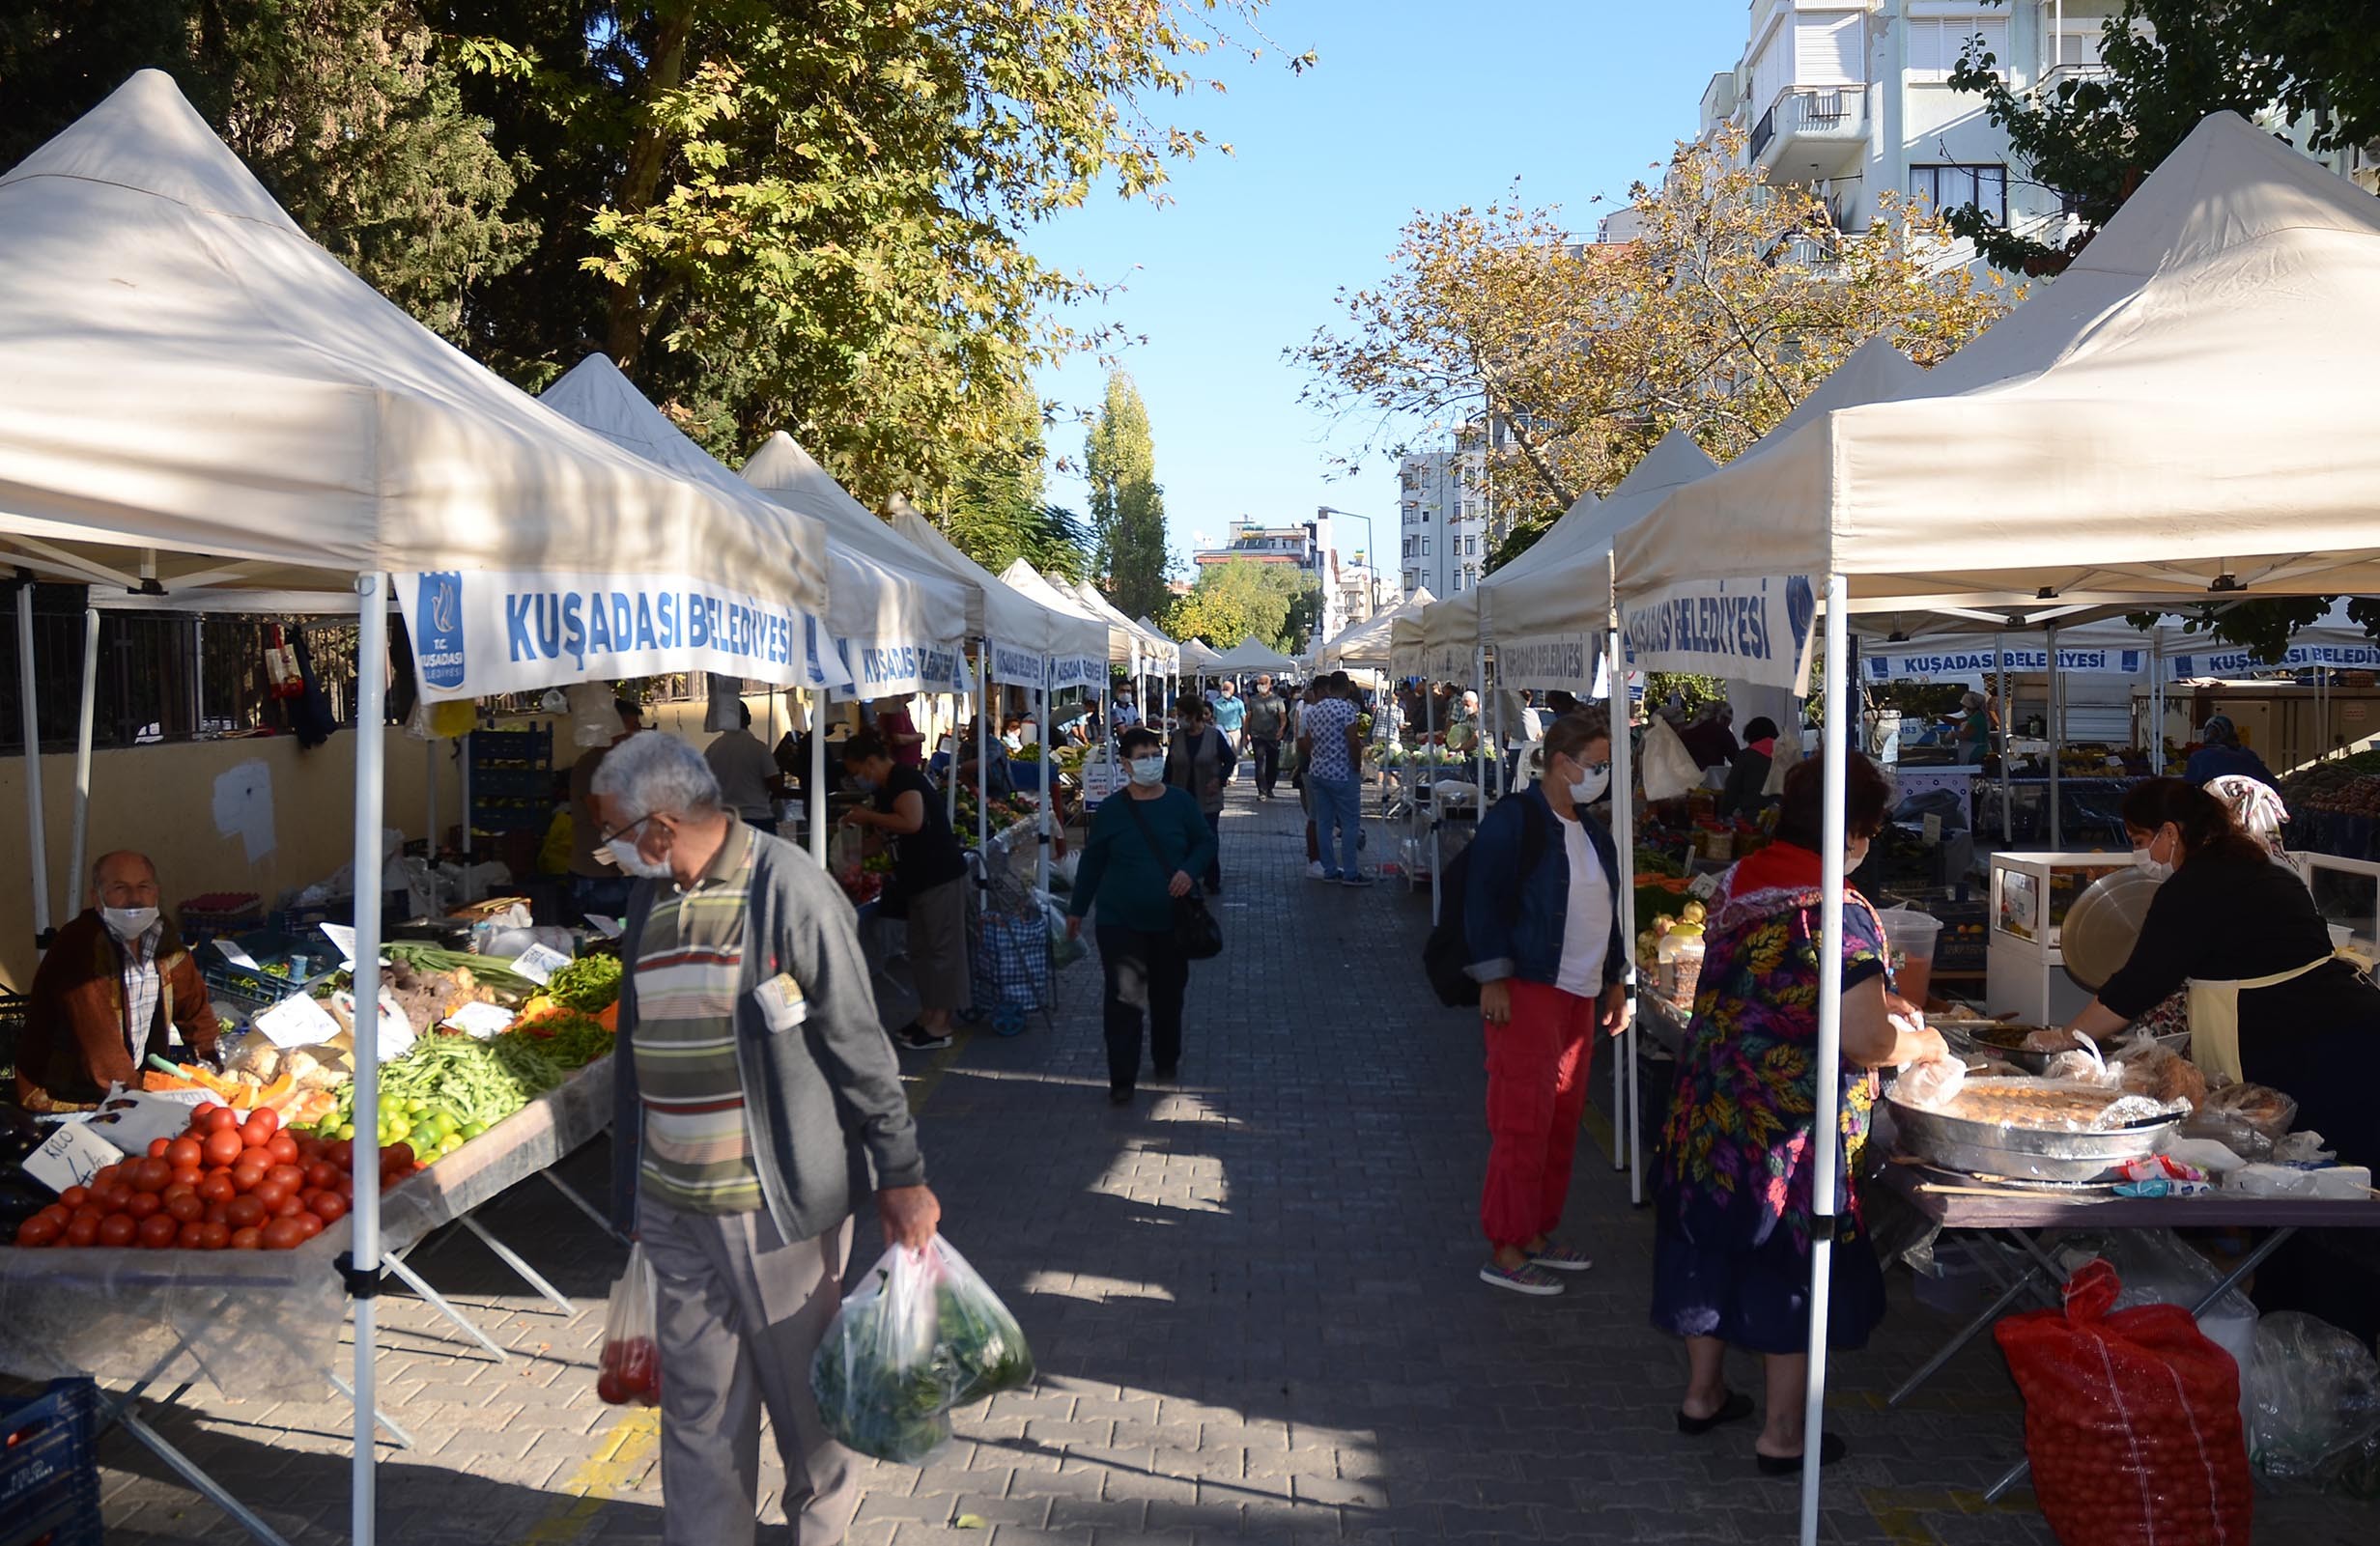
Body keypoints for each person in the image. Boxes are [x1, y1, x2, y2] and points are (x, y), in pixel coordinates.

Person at [595, 733, 942, 1546]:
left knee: (804, 1404)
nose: (604, 850)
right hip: (675, 1204)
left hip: (774, 1206)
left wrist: (902, 1172)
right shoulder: (653, 897)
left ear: (661, 822)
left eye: (613, 830)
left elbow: (860, 1043)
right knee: (697, 1409)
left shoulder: (788, 889)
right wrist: (631, 1196)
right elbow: (634, 1051)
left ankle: (819, 1530)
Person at [1652, 751, 1945, 1473]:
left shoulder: (1740, 879)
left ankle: (1703, 1394)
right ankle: (1783, 1433)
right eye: (1869, 828)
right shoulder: (1834, 907)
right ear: (1853, 830)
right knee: (1788, 1264)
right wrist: (1924, 1037)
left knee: (1709, 1244)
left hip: (1708, 1106)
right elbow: (1867, 1039)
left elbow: (1777, 984)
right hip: (1786, 1128)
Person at [2058, 779, 2378, 1166]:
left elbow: (2133, 988)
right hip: (2345, 1019)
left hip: (2305, 1039)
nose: (2138, 852)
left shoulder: (2194, 887)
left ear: (2171, 832)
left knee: (2311, 1158)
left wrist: (2064, 1038)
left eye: (2140, 839)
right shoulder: (2254, 863)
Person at [1463, 711, 1629, 1296]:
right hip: (1529, 989)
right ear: (1563, 763)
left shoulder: (1595, 833)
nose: (1604, 774)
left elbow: (1608, 913)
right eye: (1599, 763)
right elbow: (1480, 900)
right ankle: (1505, 1245)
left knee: (1560, 1121)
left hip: (1579, 996)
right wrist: (1492, 978)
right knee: (1521, 1121)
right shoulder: (1515, 821)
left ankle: (1537, 1232)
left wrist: (1616, 980)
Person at [1066, 725, 1217, 1105]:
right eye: (1142, 756)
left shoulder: (1180, 803)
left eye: (1155, 754)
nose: (1151, 762)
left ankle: (1166, 1058)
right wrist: (1076, 911)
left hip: (1172, 922)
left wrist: (1189, 870)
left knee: (1168, 997)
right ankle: (1122, 1078)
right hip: (1120, 921)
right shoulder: (1113, 810)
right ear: (1126, 765)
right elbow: (1093, 863)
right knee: (1124, 999)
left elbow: (1205, 841)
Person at [16, 851, 220, 1112]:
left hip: (127, 1086)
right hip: (69, 1094)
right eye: (119, 888)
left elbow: (195, 1010)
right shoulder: (80, 944)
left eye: (143, 887)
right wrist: (143, 1101)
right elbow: (102, 1048)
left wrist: (217, 1071)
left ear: (156, 892)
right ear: (97, 898)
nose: (134, 899)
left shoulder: (162, 935)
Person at [839, 730, 972, 1054]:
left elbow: (911, 822)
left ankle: (942, 1024)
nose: (860, 780)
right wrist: (847, 852)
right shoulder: (887, 790)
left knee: (941, 951)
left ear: (871, 762)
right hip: (916, 880)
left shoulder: (904, 779)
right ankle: (928, 1014)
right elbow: (882, 839)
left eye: (859, 772)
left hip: (938, 876)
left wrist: (867, 816)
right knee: (921, 950)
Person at [568, 696, 643, 917]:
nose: (637, 735)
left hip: (625, 871)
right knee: (604, 941)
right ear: (613, 729)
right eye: (633, 727)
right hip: (599, 877)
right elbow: (603, 817)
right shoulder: (592, 766)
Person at [1301, 671, 1368, 885]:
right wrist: (1357, 765)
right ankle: (1350, 872)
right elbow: (1353, 741)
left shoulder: (1314, 710)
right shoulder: (1346, 709)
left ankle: (1329, 869)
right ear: (1347, 687)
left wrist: (1320, 755)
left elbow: (1307, 740)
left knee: (1324, 822)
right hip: (1342, 772)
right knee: (1349, 823)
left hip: (1318, 771)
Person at [1165, 695, 1236, 893]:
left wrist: (1219, 779)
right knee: (1183, 839)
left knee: (1208, 837)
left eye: (1182, 715)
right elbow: (1169, 767)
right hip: (1181, 797)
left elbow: (1230, 760)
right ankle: (1188, 877)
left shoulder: (1214, 736)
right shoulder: (1177, 737)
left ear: (1193, 715)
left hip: (1207, 797)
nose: (1179, 719)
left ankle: (1212, 878)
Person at [704, 703, 784, 834]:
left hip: (725, 822)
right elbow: (776, 787)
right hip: (758, 820)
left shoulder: (712, 750)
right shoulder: (759, 748)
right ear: (749, 719)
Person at [1717, 717, 1780, 821]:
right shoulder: (1787, 755)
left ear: (1751, 736)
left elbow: (1732, 790)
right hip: (1782, 818)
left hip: (1752, 818)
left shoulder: (1746, 756)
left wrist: (1724, 815)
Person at [2187, 714, 2276, 786]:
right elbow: (2273, 784)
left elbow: (2188, 789)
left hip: (2213, 806)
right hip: (2247, 805)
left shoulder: (2198, 758)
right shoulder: (2248, 755)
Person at [1243, 674, 1289, 800]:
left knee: (1272, 764)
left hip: (1273, 736)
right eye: (1259, 683)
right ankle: (1261, 791)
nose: (1260, 686)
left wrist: (1281, 730)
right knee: (1260, 763)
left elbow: (1283, 717)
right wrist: (1245, 735)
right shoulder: (1253, 700)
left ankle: (1270, 787)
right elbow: (1248, 718)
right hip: (1257, 735)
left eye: (1263, 683)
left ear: (1269, 685)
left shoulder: (1277, 700)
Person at [1679, 703, 1740, 772]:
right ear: (1722, 718)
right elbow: (1737, 759)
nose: (1728, 725)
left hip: (1687, 776)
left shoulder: (1685, 731)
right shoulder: (1720, 730)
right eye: (1728, 721)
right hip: (1712, 778)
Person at [1955, 690, 1996, 766]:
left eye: (1965, 706)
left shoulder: (1977, 718)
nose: (1964, 708)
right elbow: (1958, 721)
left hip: (1974, 753)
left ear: (1971, 706)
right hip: (1979, 751)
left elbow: (1965, 735)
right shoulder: (1978, 716)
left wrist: (1953, 735)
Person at [1208, 678, 1247, 753]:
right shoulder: (1216, 703)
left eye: (1227, 689)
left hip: (1235, 732)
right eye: (1224, 689)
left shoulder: (1238, 703)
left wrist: (1245, 734)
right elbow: (1213, 718)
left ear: (1232, 690)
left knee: (1234, 754)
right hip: (1221, 732)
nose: (1225, 691)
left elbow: (1243, 718)